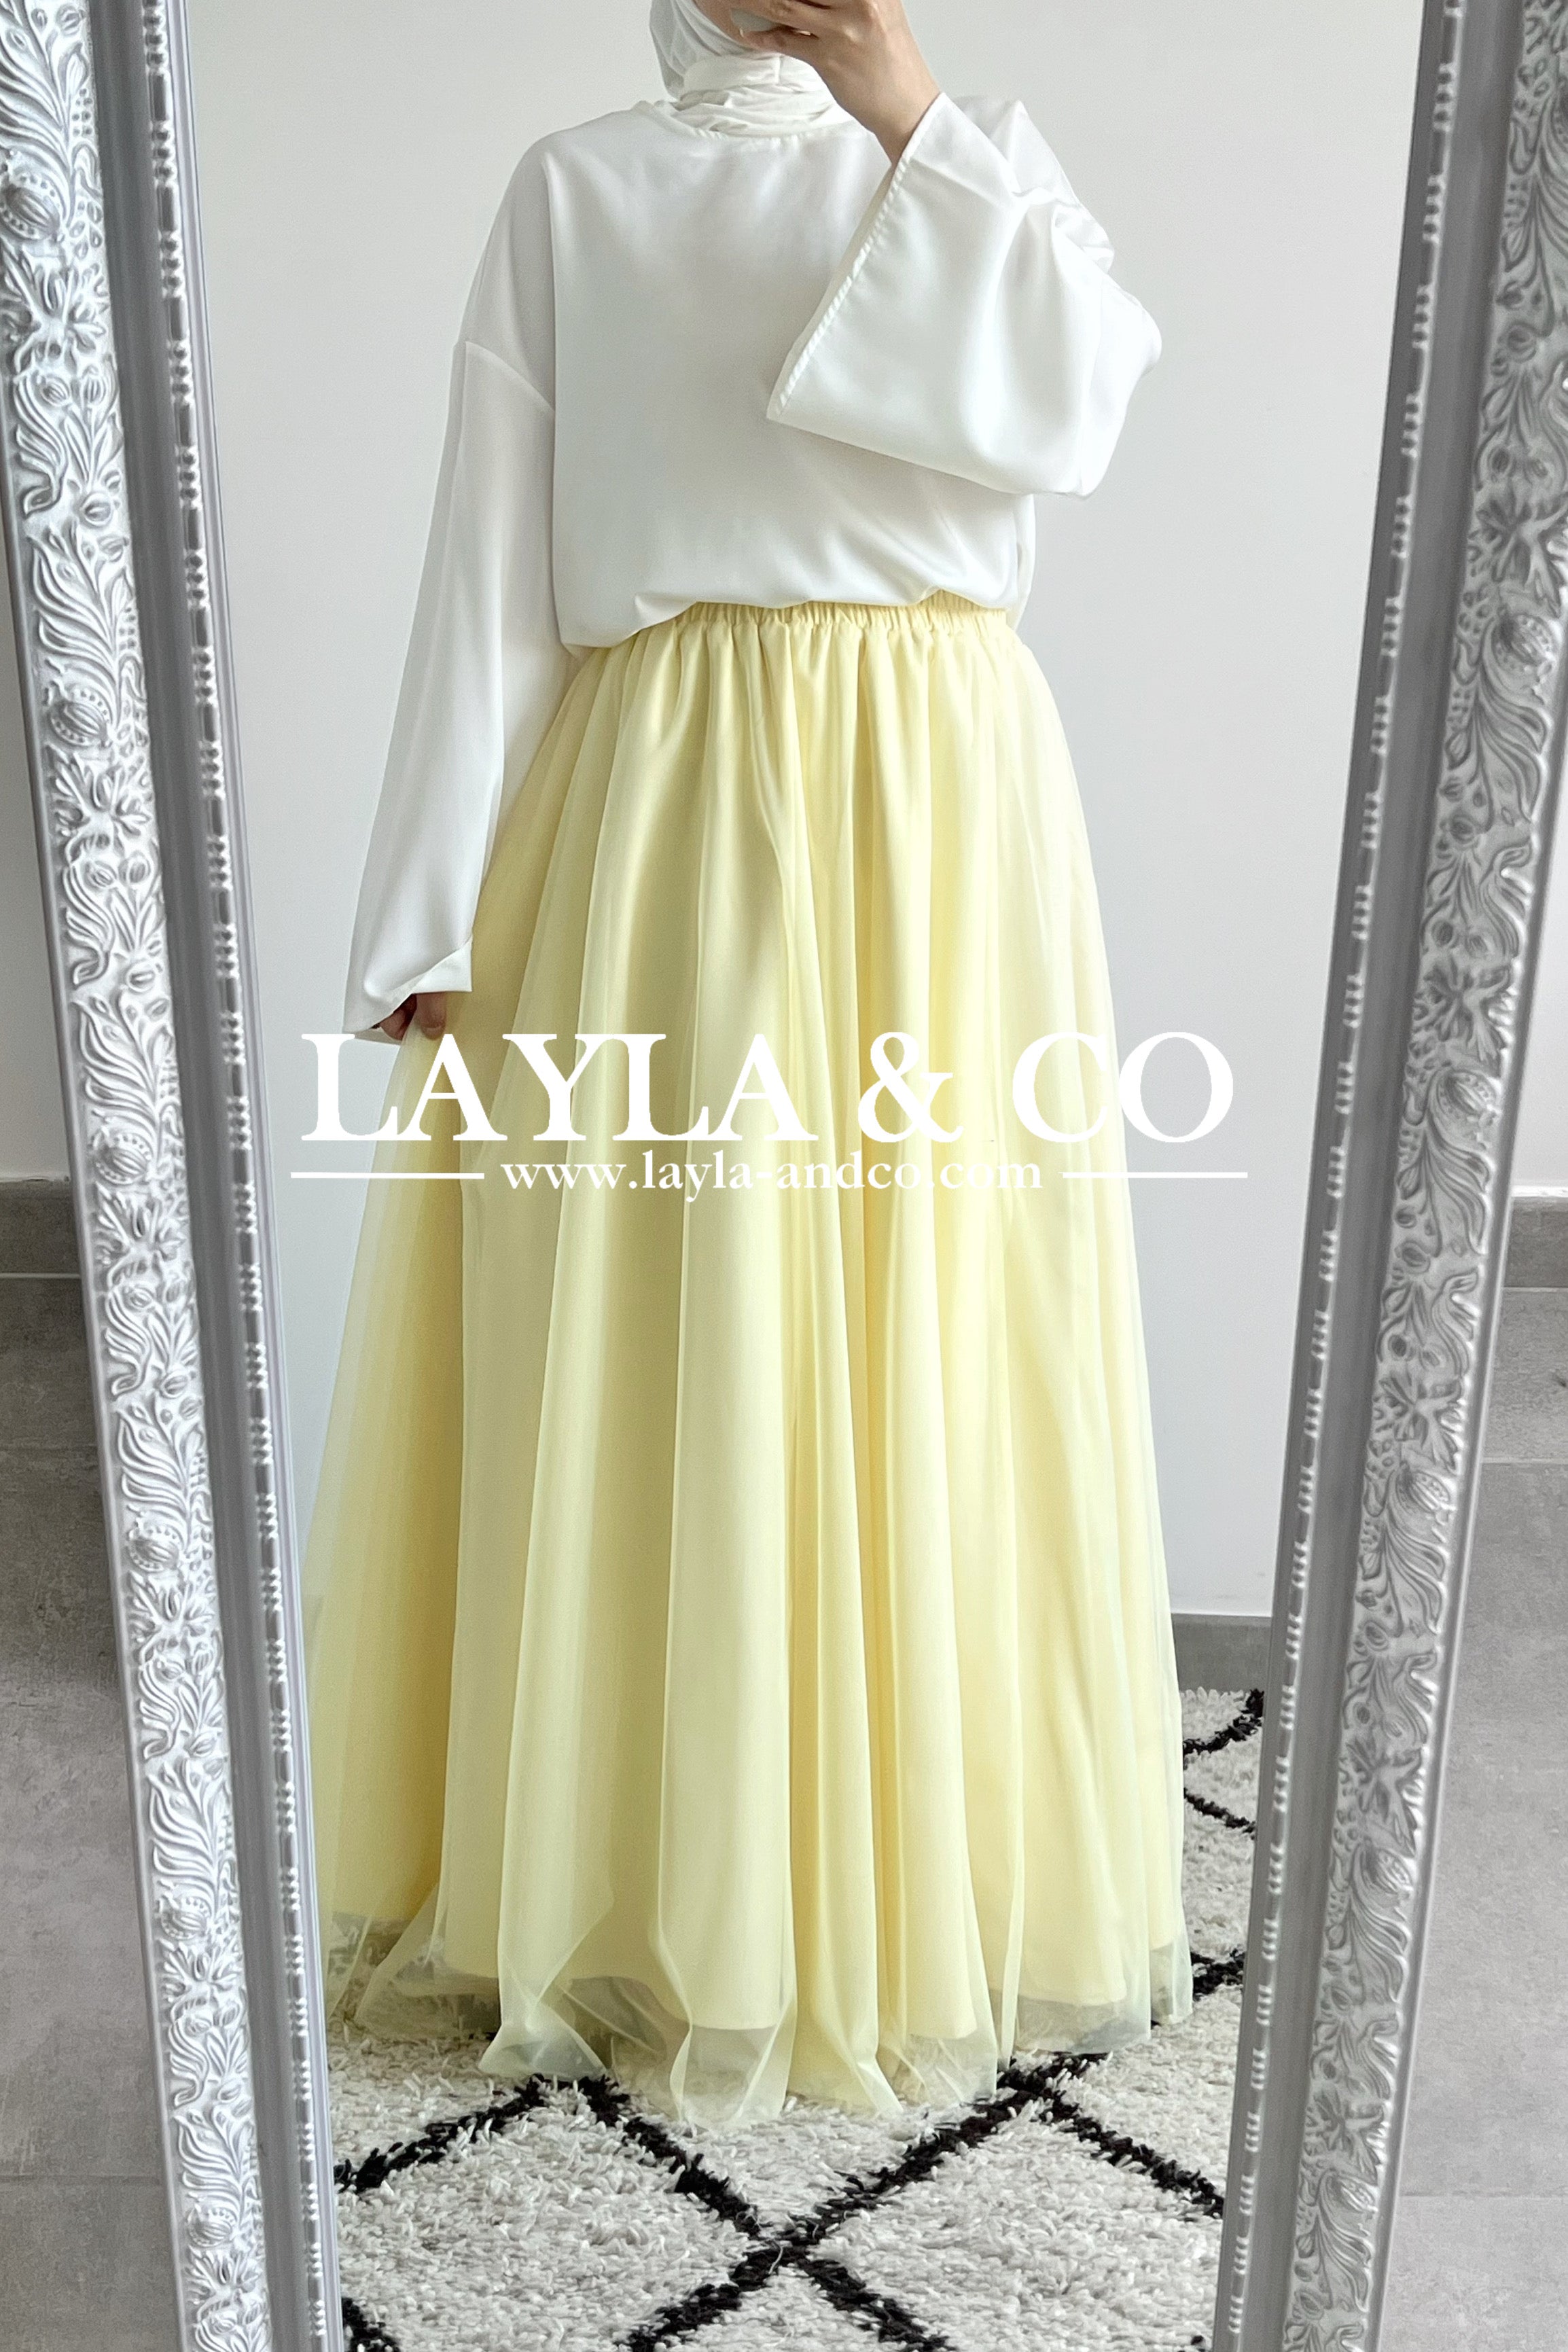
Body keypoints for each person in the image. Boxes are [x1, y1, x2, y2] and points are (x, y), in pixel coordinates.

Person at [303, 0, 1193, 2126]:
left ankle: (903, 1878)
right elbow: (491, 555)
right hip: (668, 791)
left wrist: (911, 117)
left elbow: (1077, 407)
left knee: (936, 1310)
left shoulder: (972, 166)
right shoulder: (580, 190)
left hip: (937, 803)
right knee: (669, 1302)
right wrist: (427, 909)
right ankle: (661, 1880)